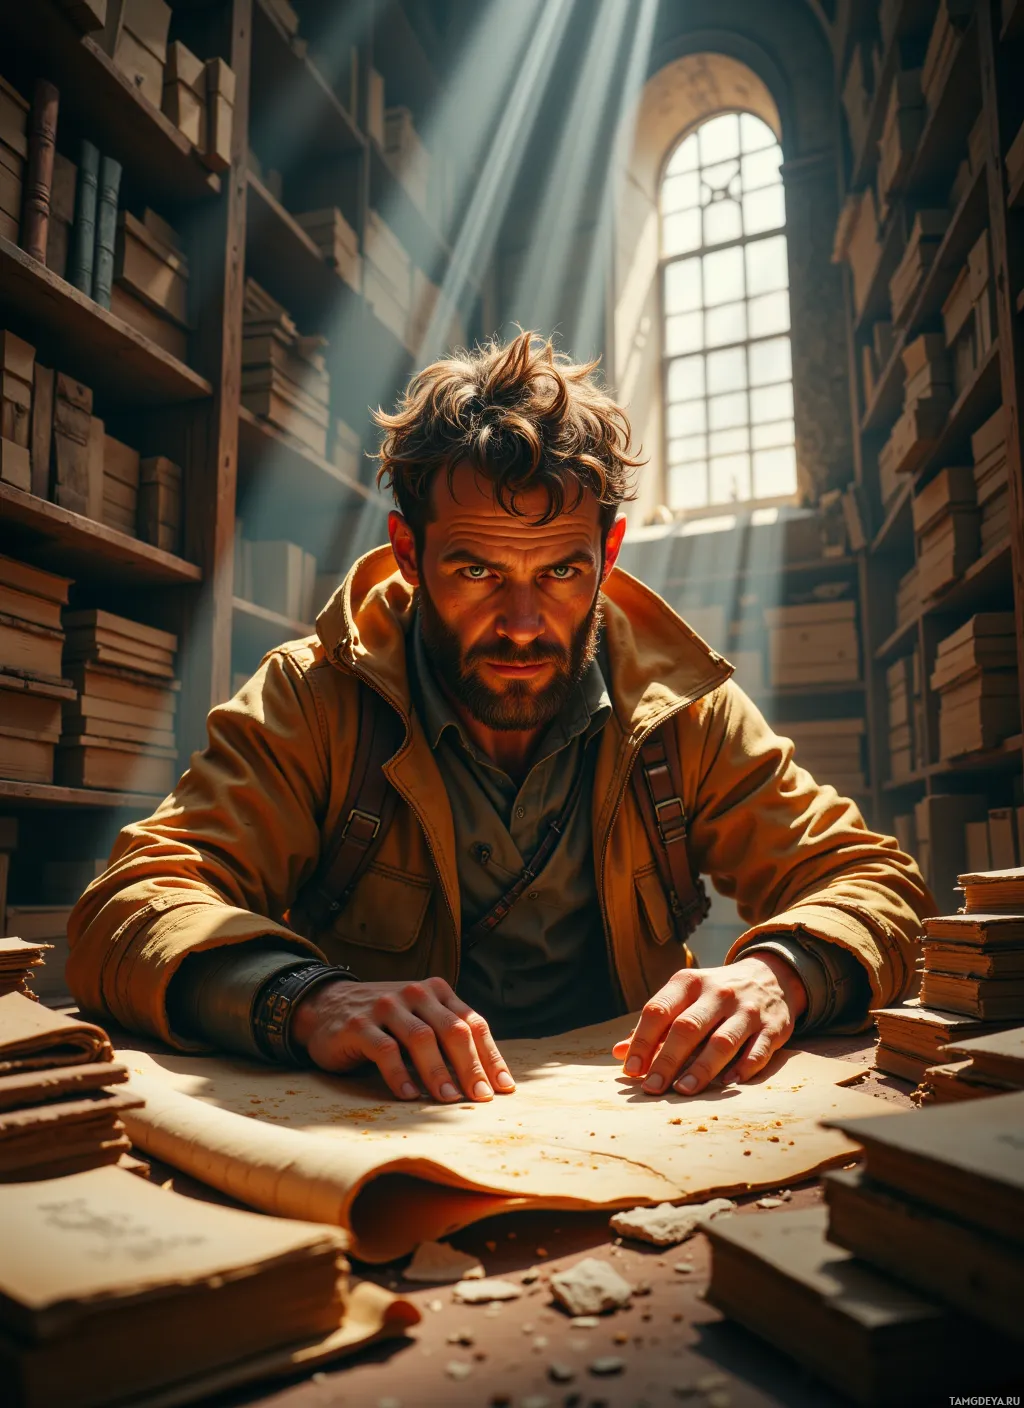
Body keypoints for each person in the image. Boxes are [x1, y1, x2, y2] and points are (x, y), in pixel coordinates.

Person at [67, 331, 929, 1106]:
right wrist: (310, 999)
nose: (523, 623)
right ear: (410, 555)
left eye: (560, 573)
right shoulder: (313, 699)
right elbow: (129, 905)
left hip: (631, 1129)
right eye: (478, 573)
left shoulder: (682, 713)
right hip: (385, 1131)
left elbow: (871, 880)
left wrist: (780, 973)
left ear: (609, 555)